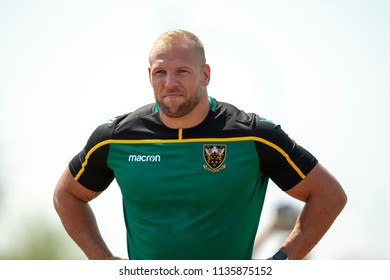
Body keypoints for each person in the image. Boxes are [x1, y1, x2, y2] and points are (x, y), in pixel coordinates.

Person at [53, 29, 347, 260]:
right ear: (150, 76)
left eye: (182, 71)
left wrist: (282, 260)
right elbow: (67, 194)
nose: (170, 82)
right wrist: (99, 258)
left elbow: (329, 195)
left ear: (205, 74)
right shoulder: (116, 138)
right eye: (160, 72)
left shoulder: (254, 135)